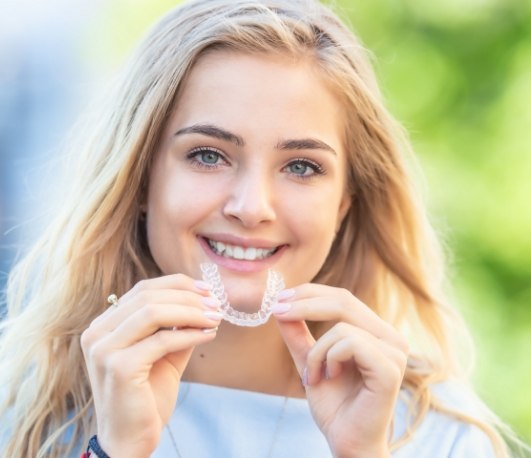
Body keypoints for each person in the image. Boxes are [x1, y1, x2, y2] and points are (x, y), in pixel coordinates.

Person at [0, 0, 527, 457]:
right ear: (139, 181)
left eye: (301, 166)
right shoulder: (25, 416)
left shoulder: (441, 437)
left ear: (344, 204)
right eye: (208, 155)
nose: (252, 207)